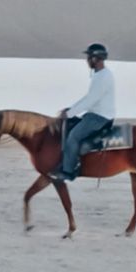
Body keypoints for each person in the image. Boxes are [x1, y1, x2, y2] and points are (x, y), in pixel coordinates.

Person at [53, 42, 115, 182]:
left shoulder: (103, 77)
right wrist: (70, 109)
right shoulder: (100, 75)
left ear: (95, 59)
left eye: (89, 58)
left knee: (73, 137)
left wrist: (69, 114)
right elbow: (88, 98)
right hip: (95, 114)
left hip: (99, 117)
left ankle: (68, 172)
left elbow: (90, 100)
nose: (87, 61)